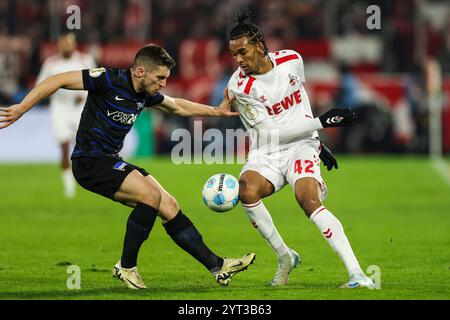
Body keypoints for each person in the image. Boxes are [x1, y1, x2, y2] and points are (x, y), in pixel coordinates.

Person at [0, 44, 256, 289]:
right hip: (89, 161)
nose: (163, 84)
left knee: (169, 205)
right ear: (140, 71)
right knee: (151, 196)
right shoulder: (108, 79)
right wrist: (23, 107)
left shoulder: (145, 94)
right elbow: (57, 80)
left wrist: (216, 111)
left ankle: (217, 266)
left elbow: (177, 105)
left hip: (110, 161)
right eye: (160, 77)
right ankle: (126, 266)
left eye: (165, 78)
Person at [226, 10, 375, 289]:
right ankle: (285, 257)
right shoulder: (239, 86)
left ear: (259, 46)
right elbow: (271, 132)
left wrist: (317, 142)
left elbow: (300, 105)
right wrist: (323, 122)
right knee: (246, 189)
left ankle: (357, 274)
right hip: (267, 149)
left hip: (300, 146)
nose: (238, 60)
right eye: (234, 54)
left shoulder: (292, 60)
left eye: (242, 52)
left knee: (308, 199)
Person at [36, 32, 96, 198]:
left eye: (69, 43)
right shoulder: (51, 63)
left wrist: (83, 95)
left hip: (80, 108)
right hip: (59, 108)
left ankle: (90, 178)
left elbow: (96, 84)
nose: (66, 46)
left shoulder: (85, 60)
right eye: (63, 43)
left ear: (74, 44)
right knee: (63, 147)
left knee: (86, 145)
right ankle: (69, 186)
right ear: (59, 45)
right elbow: (40, 86)